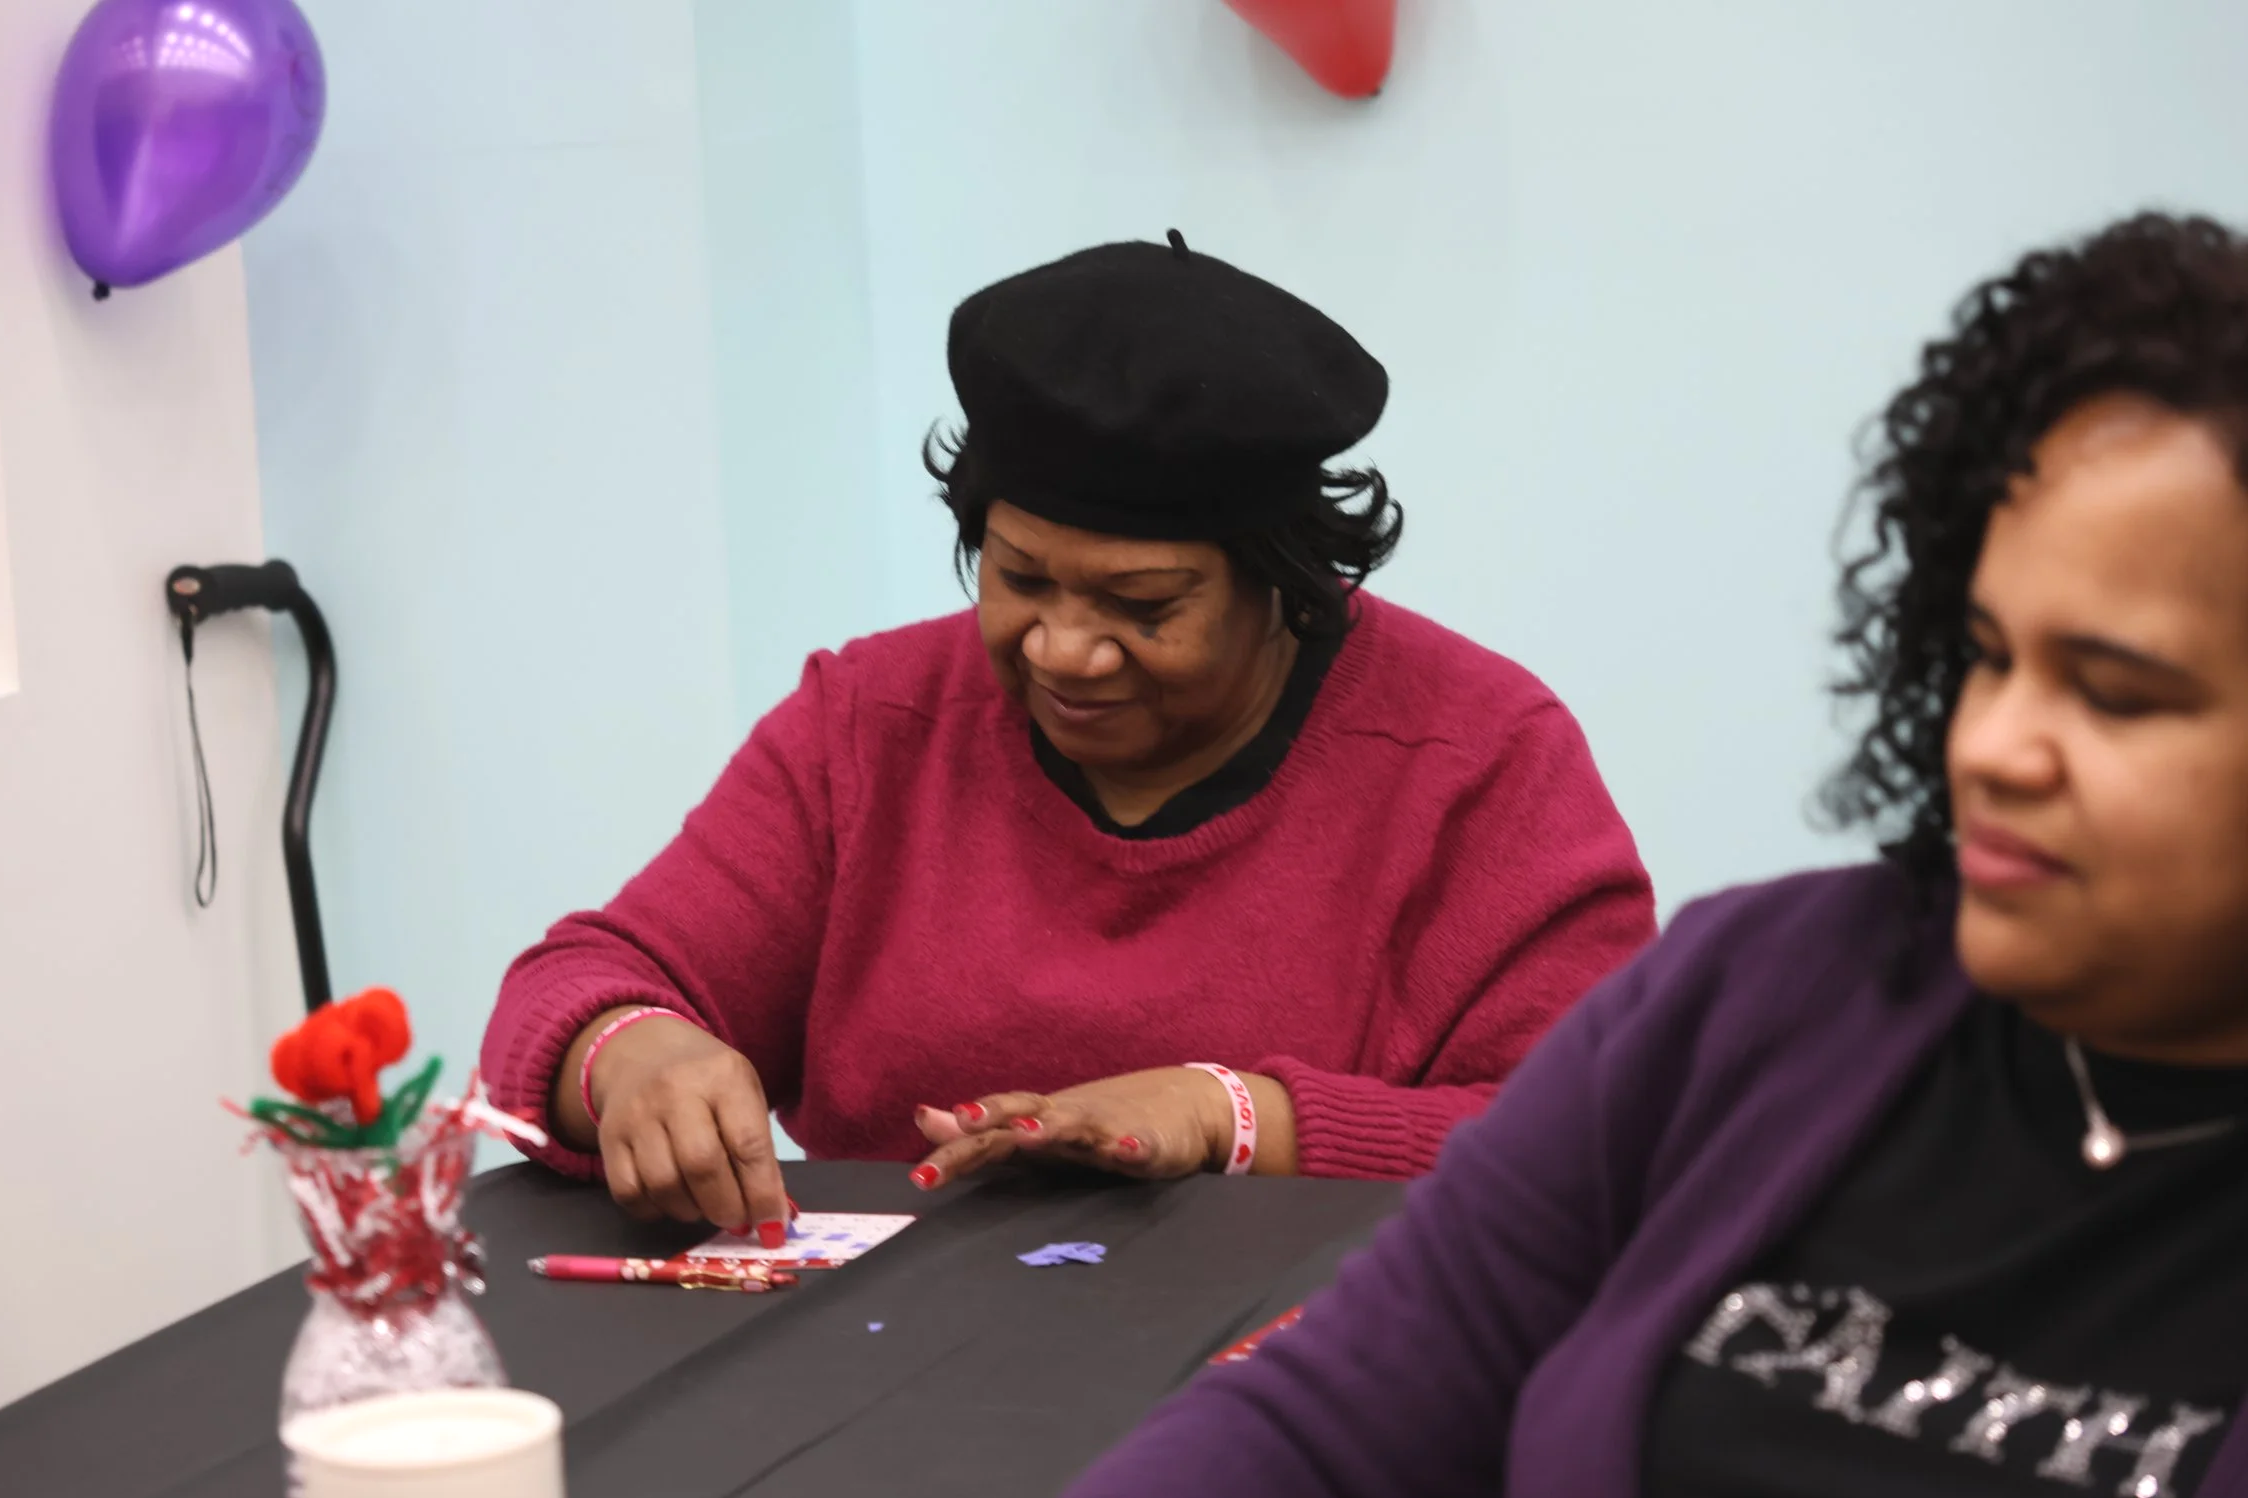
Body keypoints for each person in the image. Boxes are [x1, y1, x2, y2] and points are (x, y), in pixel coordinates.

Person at [1063, 211, 2248, 1498]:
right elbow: (1331, 1415)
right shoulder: (1769, 988)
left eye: (2118, 695)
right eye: (1989, 656)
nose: (1997, 749)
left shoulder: (1476, 745)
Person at [480, 230, 1654, 1248]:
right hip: (886, 1366)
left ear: (1290, 583)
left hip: (1321, 1384)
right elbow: (578, 984)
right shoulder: (872, 724)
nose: (1063, 651)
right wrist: (629, 1055)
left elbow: (1607, 1134)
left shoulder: (1479, 758)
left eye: (1143, 608)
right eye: (1020, 577)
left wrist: (1230, 1116)